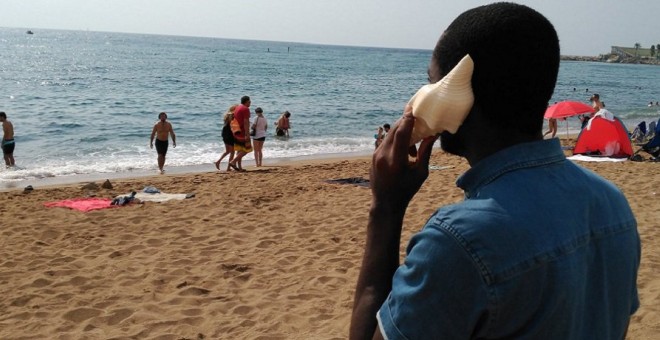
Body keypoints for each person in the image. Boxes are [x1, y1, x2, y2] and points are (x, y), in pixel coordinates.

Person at [350, 3, 640, 340]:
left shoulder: (458, 242)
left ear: (458, 89)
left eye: (431, 82)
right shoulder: (613, 204)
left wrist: (385, 208)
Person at [229, 96, 252, 171]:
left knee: (239, 150)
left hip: (236, 131)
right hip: (242, 132)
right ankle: (233, 162)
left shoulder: (238, 107)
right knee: (247, 149)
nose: (250, 103)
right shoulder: (245, 109)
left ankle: (239, 167)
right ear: (246, 102)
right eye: (249, 101)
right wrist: (247, 134)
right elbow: (246, 122)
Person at [215, 105, 237, 171]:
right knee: (232, 151)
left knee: (228, 151)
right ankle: (228, 167)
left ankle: (218, 161)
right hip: (229, 134)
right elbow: (233, 125)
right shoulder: (232, 115)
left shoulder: (226, 115)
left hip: (224, 133)